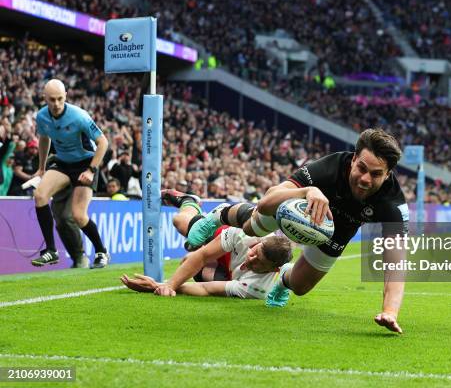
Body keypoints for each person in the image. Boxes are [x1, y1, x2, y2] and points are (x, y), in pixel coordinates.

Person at [198, 128, 409, 333]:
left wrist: (390, 311)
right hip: (297, 206)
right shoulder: (330, 168)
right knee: (251, 228)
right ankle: (219, 215)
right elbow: (267, 201)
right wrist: (307, 191)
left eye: (376, 174)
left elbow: (396, 262)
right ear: (353, 159)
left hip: (337, 229)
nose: (365, 179)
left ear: (388, 174)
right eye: (361, 168)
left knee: (300, 287)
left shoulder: (393, 205)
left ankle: (282, 279)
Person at [121, 190, 292, 299]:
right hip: (229, 244)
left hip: (230, 272)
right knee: (179, 221)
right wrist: (169, 285)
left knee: (196, 270)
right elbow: (202, 257)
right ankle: (190, 201)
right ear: (259, 242)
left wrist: (158, 286)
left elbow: (205, 289)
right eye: (255, 252)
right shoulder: (245, 235)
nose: (251, 258)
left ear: (273, 270)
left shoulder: (256, 289)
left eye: (259, 262)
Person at [31, 79, 110, 269]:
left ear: (66, 96)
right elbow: (43, 139)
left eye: (60, 99)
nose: (56, 104)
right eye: (52, 100)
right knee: (40, 195)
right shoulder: (41, 116)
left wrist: (91, 170)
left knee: (78, 215)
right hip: (63, 163)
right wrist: (42, 167)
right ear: (45, 98)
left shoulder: (79, 116)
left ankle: (101, 251)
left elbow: (103, 143)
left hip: (85, 164)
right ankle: (51, 250)